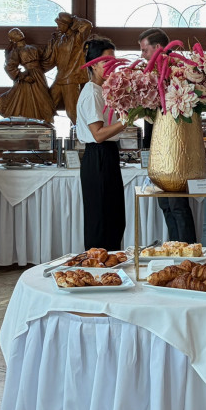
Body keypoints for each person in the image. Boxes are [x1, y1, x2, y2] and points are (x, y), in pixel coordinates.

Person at [137, 28, 198, 245]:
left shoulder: (179, 71)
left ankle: (188, 252)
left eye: (145, 50)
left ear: (158, 48)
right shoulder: (149, 73)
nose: (142, 55)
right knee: (165, 205)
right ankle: (174, 249)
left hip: (175, 149)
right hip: (157, 148)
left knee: (177, 205)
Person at [77, 36, 130, 250]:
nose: (112, 66)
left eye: (114, 61)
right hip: (98, 154)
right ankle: (97, 265)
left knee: (114, 217)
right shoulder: (91, 92)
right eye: (106, 61)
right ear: (93, 65)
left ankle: (112, 263)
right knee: (101, 219)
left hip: (108, 153)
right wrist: (127, 119)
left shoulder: (103, 90)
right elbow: (98, 134)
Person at [0, 28, 54, 122]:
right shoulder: (16, 51)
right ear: (13, 39)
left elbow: (46, 56)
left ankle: (44, 122)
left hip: (39, 76)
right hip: (30, 78)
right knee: (34, 101)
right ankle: (36, 122)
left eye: (19, 31)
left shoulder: (34, 47)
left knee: (45, 100)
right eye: (15, 33)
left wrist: (53, 45)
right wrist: (24, 77)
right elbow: (10, 67)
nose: (19, 33)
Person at [43, 12, 93, 120]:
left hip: (71, 79)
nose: (57, 28)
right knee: (47, 106)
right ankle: (44, 128)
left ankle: (82, 130)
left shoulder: (77, 39)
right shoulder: (59, 39)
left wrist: (73, 19)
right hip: (60, 78)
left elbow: (87, 25)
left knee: (72, 111)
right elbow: (51, 60)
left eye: (60, 25)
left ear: (67, 25)